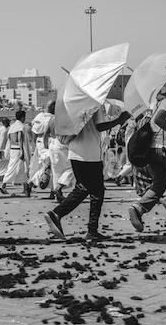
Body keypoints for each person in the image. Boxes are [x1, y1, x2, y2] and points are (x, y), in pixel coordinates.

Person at [44, 103, 130, 241]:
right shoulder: (94, 104)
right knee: (91, 191)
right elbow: (99, 126)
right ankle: (58, 215)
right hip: (89, 154)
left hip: (75, 151)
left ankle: (90, 229)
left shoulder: (74, 104)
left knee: (88, 189)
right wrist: (119, 120)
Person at [128, 70, 166, 232]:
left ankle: (138, 208)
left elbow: (161, 118)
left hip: (153, 151)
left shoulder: (161, 100)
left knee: (159, 184)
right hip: (165, 150)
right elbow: (159, 119)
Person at [47, 102, 74, 202]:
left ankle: (57, 195)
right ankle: (58, 188)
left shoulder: (52, 119)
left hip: (52, 144)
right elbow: (70, 133)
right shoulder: (66, 118)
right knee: (72, 168)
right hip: (62, 144)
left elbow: (47, 133)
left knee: (56, 171)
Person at [0, 110, 31, 195]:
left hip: (12, 149)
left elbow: (9, 139)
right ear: (22, 117)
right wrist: (22, 151)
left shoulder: (12, 127)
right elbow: (20, 138)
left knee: (18, 168)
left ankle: (25, 187)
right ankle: (3, 185)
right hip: (18, 149)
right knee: (18, 168)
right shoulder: (21, 126)